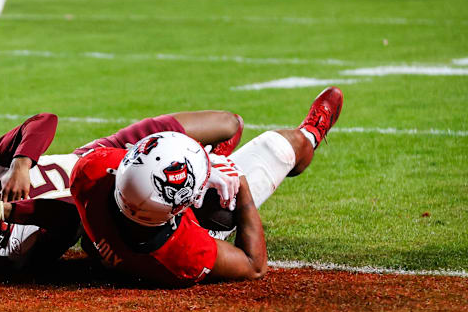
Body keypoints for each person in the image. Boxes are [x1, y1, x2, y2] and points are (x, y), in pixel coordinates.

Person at [70, 87, 343, 286]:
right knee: (283, 147)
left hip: (140, 218)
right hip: (198, 224)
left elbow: (141, 160)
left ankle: (212, 156)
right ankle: (311, 134)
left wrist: (205, 165)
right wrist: (242, 184)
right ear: (182, 206)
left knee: (226, 127)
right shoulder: (182, 254)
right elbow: (254, 266)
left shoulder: (90, 172)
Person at [0, 110, 244, 273]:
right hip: (119, 198)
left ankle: (209, 166)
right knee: (220, 212)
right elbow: (71, 224)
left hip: (104, 153)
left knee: (230, 124)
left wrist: (20, 165)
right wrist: (8, 212)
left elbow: (44, 121)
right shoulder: (11, 259)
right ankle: (208, 183)